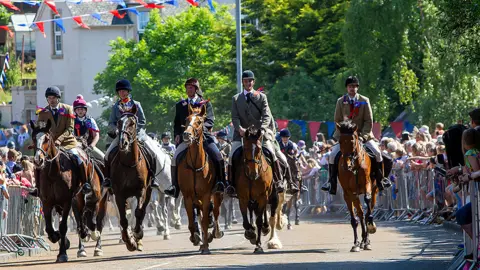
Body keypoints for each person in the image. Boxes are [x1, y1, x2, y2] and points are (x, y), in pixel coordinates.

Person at [229, 70, 299, 195]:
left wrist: (262, 129)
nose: (248, 83)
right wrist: (239, 129)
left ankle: (280, 181)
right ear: (243, 82)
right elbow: (235, 117)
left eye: (250, 80)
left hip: (259, 135)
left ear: (253, 82)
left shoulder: (262, 97)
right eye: (246, 81)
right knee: (231, 156)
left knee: (273, 154)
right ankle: (231, 185)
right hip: (242, 135)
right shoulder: (235, 99)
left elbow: (266, 116)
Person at [322, 76, 392, 195]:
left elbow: (368, 121)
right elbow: (337, 120)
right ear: (347, 88)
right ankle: (331, 183)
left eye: (354, 86)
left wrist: (363, 136)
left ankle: (381, 180)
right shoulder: (340, 101)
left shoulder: (364, 100)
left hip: (363, 136)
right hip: (346, 137)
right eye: (350, 86)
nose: (352, 89)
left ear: (357, 88)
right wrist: (343, 135)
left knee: (378, 153)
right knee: (333, 155)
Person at [164, 78, 229, 198]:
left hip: (204, 137)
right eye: (187, 87)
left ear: (196, 89)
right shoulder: (180, 105)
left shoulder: (205, 103)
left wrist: (199, 129)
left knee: (218, 156)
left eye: (191, 87)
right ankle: (175, 187)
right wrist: (177, 135)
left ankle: (221, 182)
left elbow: (210, 120)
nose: (189, 89)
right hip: (187, 139)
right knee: (175, 159)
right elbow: (177, 124)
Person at [102, 79, 161, 188]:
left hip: (136, 135)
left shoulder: (136, 105)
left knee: (152, 153)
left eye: (123, 91)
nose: (121, 93)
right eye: (119, 92)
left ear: (128, 91)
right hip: (121, 135)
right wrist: (115, 130)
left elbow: (142, 121)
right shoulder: (115, 106)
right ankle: (107, 178)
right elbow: (111, 122)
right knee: (107, 155)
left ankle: (153, 178)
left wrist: (134, 132)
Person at [34, 86, 89, 194]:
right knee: (37, 161)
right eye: (49, 98)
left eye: (53, 98)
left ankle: (85, 183)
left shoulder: (68, 109)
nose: (51, 100)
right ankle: (37, 187)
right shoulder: (42, 112)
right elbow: (42, 130)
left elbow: (70, 129)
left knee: (78, 159)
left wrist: (59, 140)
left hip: (67, 142)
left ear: (58, 98)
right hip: (49, 145)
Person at [72, 95, 104, 161]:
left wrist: (91, 146)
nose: (80, 111)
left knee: (104, 158)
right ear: (75, 111)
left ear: (85, 110)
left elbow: (96, 135)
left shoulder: (90, 120)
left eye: (82, 109)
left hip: (89, 146)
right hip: (75, 146)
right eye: (78, 109)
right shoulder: (71, 120)